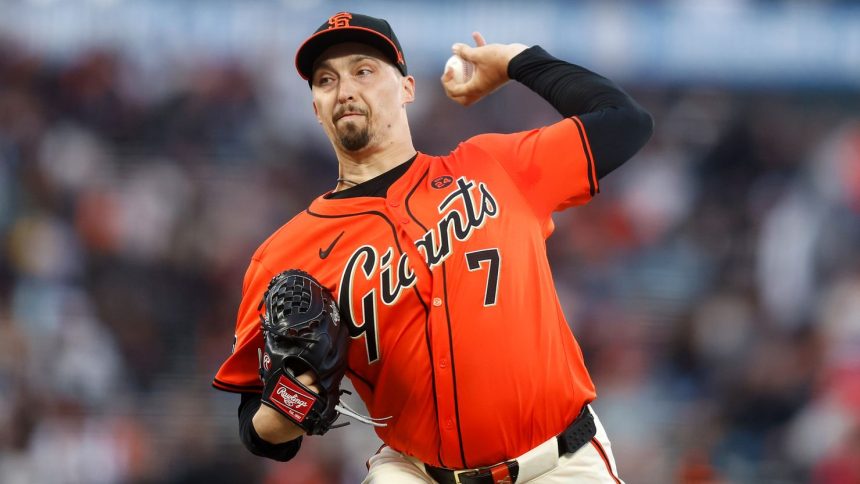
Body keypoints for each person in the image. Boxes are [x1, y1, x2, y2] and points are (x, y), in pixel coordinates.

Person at [213, 11, 652, 483]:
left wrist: (515, 61)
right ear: (316, 108)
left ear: (407, 88)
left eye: (364, 70)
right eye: (325, 80)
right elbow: (255, 427)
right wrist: (292, 402)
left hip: (559, 463)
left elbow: (625, 122)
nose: (345, 90)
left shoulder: (492, 167)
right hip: (414, 472)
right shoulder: (284, 256)